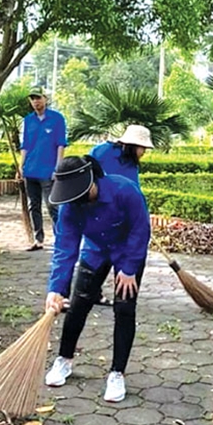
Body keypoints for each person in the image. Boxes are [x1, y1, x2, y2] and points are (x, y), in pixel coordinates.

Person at [44, 155, 150, 402]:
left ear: (91, 182)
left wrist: (129, 269)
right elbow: (65, 247)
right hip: (95, 251)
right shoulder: (70, 206)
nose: (74, 200)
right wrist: (56, 288)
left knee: (124, 309)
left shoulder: (125, 191)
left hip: (128, 252)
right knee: (78, 304)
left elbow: (140, 230)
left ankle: (117, 374)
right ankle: (64, 360)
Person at [83, 124, 154, 306]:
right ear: (130, 144)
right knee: (95, 265)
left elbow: (134, 193)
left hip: (122, 224)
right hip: (101, 219)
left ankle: (106, 292)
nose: (143, 152)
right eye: (142, 148)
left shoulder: (131, 164)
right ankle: (89, 293)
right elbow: (87, 180)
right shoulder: (101, 152)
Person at [20, 86, 68, 251]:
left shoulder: (57, 119)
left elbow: (61, 145)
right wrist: (21, 166)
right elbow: (25, 145)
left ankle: (61, 238)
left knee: (52, 205)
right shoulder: (28, 120)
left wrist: (58, 167)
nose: (35, 101)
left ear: (45, 99)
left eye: (38, 98)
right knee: (34, 206)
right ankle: (38, 239)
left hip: (48, 171)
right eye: (32, 98)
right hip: (30, 170)